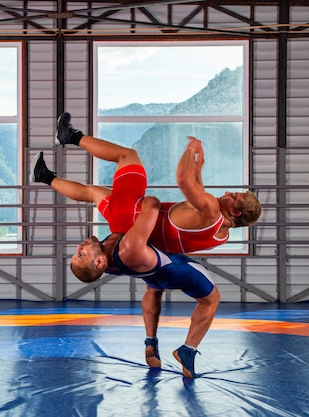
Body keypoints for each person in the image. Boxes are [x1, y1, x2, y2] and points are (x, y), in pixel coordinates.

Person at [30, 113, 256, 377]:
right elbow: (199, 199)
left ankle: (71, 138)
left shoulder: (210, 208)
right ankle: (45, 175)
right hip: (138, 242)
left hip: (134, 217)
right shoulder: (222, 234)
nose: (229, 193)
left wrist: (191, 151)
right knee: (153, 281)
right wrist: (199, 168)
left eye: (235, 196)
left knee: (127, 156)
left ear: (236, 212)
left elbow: (184, 181)